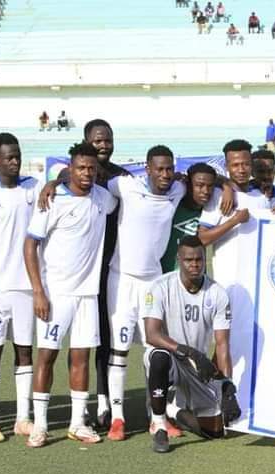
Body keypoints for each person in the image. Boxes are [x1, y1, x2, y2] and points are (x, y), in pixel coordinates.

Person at [37, 118, 131, 430]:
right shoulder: (67, 178)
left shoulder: (121, 177)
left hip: (110, 270)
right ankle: (78, 409)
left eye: (108, 140)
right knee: (68, 345)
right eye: (98, 140)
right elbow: (62, 182)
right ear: (87, 142)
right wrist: (52, 184)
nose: (104, 145)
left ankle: (103, 402)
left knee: (101, 337)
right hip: (71, 277)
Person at [23, 143, 118, 447]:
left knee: (81, 357)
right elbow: (30, 245)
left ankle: (78, 423)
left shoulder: (103, 198)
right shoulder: (52, 200)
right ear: (70, 169)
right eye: (81, 168)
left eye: (91, 168)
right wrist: (38, 291)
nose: (87, 173)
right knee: (47, 356)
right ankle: (40, 425)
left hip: (88, 295)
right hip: (56, 294)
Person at [105, 145, 187, 442]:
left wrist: (225, 185)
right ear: (148, 169)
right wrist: (55, 181)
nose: (165, 175)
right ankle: (117, 418)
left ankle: (157, 417)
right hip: (122, 281)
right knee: (120, 349)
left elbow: (205, 179)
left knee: (155, 351)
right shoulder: (126, 186)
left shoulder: (177, 189)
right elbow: (93, 179)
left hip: (153, 283)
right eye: (159, 169)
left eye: (169, 169)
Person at [143, 235, 239, 453]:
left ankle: (172, 409)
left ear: (205, 260)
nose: (194, 264)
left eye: (199, 259)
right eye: (188, 260)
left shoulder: (217, 293)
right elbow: (152, 334)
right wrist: (186, 351)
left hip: (197, 367)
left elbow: (222, 345)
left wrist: (227, 387)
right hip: (170, 358)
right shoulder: (160, 287)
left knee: (217, 430)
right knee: (158, 356)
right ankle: (159, 425)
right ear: (179, 260)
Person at [0, 133, 40, 443]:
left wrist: (52, 183)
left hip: (26, 288)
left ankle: (22, 418)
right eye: (8, 157)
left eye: (17, 155)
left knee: (24, 351)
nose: (15, 161)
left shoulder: (32, 187)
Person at [198, 140, 267, 289]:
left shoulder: (261, 195)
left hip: (258, 281)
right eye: (235, 165)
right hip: (228, 281)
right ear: (226, 166)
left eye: (246, 164)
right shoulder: (218, 195)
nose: (241, 170)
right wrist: (234, 221)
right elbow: (201, 239)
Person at [161, 163, 217, 274]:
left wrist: (226, 186)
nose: (206, 191)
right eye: (199, 185)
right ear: (188, 184)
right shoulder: (172, 203)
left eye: (210, 186)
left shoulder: (211, 209)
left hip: (195, 279)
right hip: (166, 276)